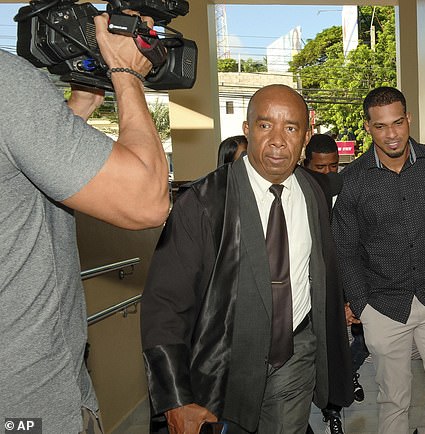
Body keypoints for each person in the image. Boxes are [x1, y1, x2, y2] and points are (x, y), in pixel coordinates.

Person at [141, 84, 353, 434]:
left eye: (290, 128)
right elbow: (165, 302)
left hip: (294, 356)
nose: (277, 140)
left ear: (306, 135)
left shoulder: (316, 191)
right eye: (265, 125)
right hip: (223, 363)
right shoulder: (204, 202)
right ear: (247, 129)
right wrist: (175, 397)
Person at [0, 12, 169, 434]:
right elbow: (147, 200)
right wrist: (125, 73)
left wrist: (81, 103)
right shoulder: (6, 83)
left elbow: (19, 182)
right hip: (28, 406)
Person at [332, 87, 425, 434]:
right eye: (380, 126)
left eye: (397, 122)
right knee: (394, 400)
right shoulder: (352, 181)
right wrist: (361, 304)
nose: (391, 134)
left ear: (408, 119)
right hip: (383, 305)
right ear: (367, 127)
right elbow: (345, 249)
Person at [303, 134, 368, 434]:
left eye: (333, 167)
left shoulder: (348, 190)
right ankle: (332, 411)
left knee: (364, 342)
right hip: (313, 288)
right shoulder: (297, 194)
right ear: (306, 165)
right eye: (320, 168)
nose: (328, 174)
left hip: (349, 280)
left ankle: (344, 374)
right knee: (321, 350)